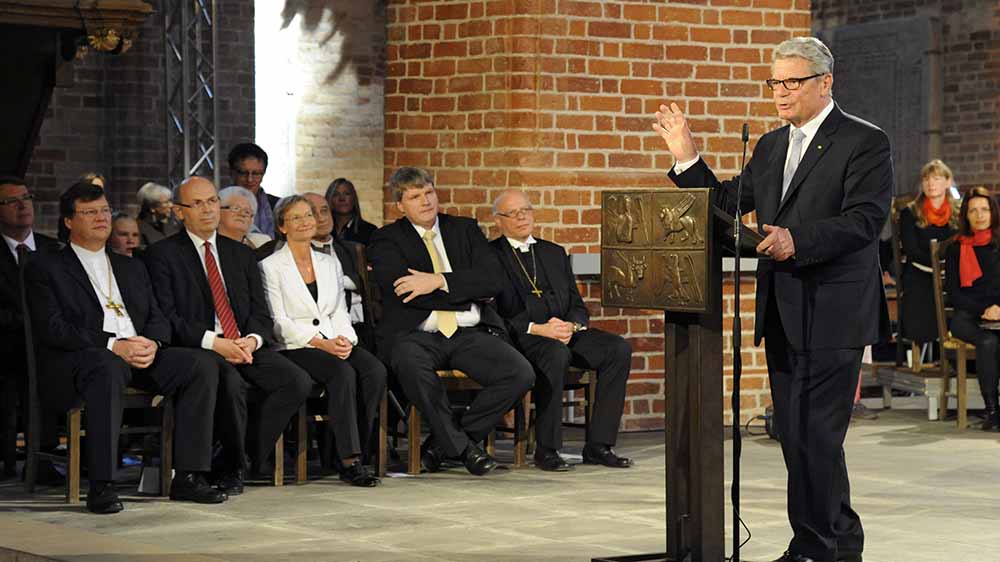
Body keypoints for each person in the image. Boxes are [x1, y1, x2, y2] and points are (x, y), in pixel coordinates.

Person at [653, 36, 891, 562]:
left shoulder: (862, 141)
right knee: (797, 432)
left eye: (792, 81)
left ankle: (814, 546)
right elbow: (727, 204)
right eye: (774, 82)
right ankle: (839, 540)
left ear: (824, 82)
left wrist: (796, 240)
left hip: (834, 310)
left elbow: (865, 220)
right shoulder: (769, 145)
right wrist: (686, 156)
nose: (780, 93)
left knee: (817, 434)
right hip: (783, 308)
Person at [26, 181, 226, 513]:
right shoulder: (47, 266)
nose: (101, 218)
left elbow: (158, 317)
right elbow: (54, 328)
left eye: (104, 210)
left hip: (138, 353)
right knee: (109, 366)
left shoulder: (130, 266)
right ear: (69, 221)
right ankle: (102, 484)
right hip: (82, 361)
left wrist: (153, 342)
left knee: (201, 364)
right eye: (90, 212)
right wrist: (112, 345)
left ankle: (189, 476)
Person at [145, 176, 313, 490]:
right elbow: (168, 317)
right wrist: (216, 343)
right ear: (179, 212)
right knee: (232, 385)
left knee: (296, 381)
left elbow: (260, 313)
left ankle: (237, 459)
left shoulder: (240, 254)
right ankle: (232, 466)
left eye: (212, 201)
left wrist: (253, 339)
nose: (207, 209)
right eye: (197, 203)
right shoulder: (163, 255)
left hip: (244, 343)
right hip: (201, 348)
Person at [368, 167, 534, 476]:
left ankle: (440, 446)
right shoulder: (385, 239)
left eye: (429, 192)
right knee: (413, 368)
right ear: (400, 205)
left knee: (520, 373)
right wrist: (462, 287)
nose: (426, 201)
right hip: (415, 335)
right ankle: (462, 450)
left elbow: (493, 280)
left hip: (467, 331)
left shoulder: (464, 229)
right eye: (415, 196)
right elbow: (403, 292)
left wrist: (437, 281)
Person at [490, 189, 633, 471]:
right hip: (523, 337)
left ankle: (599, 445)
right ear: (498, 220)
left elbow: (577, 305)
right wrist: (539, 329)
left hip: (563, 333)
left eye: (526, 210)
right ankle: (548, 449)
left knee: (617, 349)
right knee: (555, 354)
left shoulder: (553, 252)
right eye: (513, 213)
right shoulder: (490, 255)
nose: (522, 217)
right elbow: (494, 314)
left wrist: (572, 326)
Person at [259, 195, 387, 486]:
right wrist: (321, 343)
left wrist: (345, 340)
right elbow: (278, 322)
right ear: (282, 227)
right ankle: (349, 461)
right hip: (297, 345)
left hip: (335, 338)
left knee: (374, 370)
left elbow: (339, 310)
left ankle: (356, 450)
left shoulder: (329, 262)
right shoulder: (270, 266)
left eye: (308, 216)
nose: (305, 222)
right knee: (341, 372)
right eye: (296, 218)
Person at [0, 177, 61, 479]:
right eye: (11, 201)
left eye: (26, 197)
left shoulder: (55, 250)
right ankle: (7, 460)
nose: (22, 205)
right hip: (7, 345)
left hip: (50, 347)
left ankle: (46, 459)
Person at [945, 187, 1000, 431]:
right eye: (973, 211)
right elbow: (955, 294)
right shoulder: (956, 247)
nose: (979, 215)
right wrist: (983, 310)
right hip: (968, 315)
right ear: (965, 215)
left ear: (993, 213)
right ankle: (992, 412)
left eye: (984, 210)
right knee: (988, 342)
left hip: (999, 312)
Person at [899, 159, 959, 347]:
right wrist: (938, 267)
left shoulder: (959, 211)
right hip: (920, 271)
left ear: (948, 182)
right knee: (921, 291)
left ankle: (959, 349)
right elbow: (912, 251)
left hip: (952, 272)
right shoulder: (910, 213)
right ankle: (925, 347)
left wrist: (947, 269)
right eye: (926, 179)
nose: (930, 184)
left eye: (936, 178)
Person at [228, 143, 278, 237]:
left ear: (263, 174)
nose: (249, 179)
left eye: (256, 174)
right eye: (243, 173)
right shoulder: (217, 206)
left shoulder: (277, 206)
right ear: (231, 172)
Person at [326, 178, 377, 245]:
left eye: (347, 194)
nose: (342, 199)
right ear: (329, 199)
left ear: (354, 198)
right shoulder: (323, 230)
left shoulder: (370, 231)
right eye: (336, 194)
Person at [136, 182, 181, 249]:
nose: (171, 205)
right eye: (166, 202)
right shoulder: (138, 229)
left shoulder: (172, 225)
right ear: (152, 207)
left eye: (170, 201)